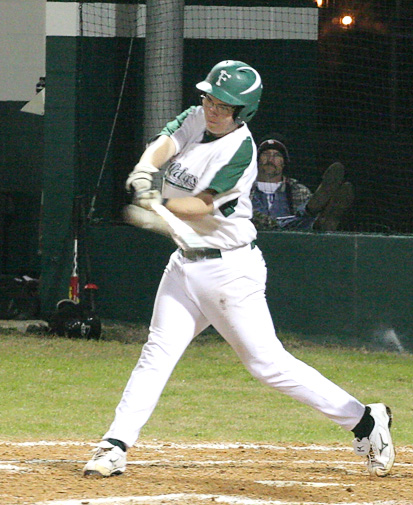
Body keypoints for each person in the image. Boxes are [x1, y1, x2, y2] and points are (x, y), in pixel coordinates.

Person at [82, 60, 394, 479]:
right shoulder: (199, 117)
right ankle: (115, 445)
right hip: (184, 266)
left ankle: (365, 421)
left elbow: (202, 206)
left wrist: (159, 204)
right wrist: (143, 171)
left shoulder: (241, 152)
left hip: (230, 273)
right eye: (211, 99)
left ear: (242, 112)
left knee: (268, 365)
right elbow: (167, 140)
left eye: (225, 106)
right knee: (156, 353)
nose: (213, 109)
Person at [250, 135, 354, 232]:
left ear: (284, 163)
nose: (270, 159)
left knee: (307, 219)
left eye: (277, 155)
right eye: (266, 154)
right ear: (257, 160)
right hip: (253, 237)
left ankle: (323, 218)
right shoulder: (244, 187)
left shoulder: (297, 190)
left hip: (291, 241)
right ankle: (313, 215)